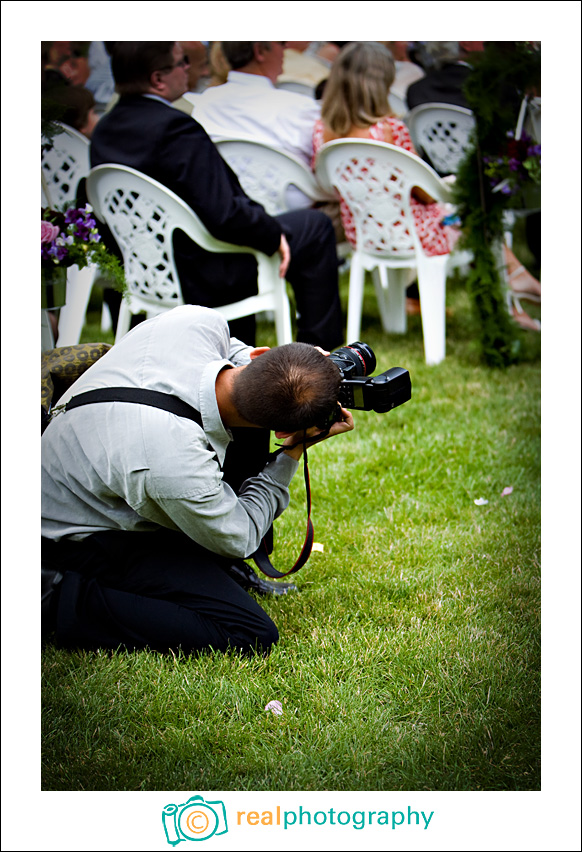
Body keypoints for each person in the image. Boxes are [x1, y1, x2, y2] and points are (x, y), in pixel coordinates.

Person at [41, 305, 354, 655]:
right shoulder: (179, 466)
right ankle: (57, 596)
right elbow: (241, 534)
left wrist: (297, 375)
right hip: (68, 533)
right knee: (249, 633)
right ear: (282, 431)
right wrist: (293, 451)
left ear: (261, 354)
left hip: (86, 462)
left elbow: (237, 353)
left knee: (244, 411)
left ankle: (217, 569)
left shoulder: (195, 322)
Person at [90, 42, 343, 349]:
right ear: (158, 79)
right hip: (207, 270)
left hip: (149, 268)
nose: (188, 68)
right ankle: (321, 358)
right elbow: (224, 216)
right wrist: (272, 233)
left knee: (300, 225)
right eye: (181, 62)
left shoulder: (105, 130)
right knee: (315, 226)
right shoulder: (175, 128)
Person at [313, 42, 460, 264]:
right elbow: (425, 192)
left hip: (363, 235)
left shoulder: (321, 130)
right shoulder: (390, 130)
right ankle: (515, 278)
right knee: (475, 215)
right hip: (411, 235)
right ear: (383, 83)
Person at [194, 42, 321, 169]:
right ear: (259, 51)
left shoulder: (205, 103)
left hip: (222, 187)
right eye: (281, 43)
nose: (285, 49)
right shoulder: (302, 108)